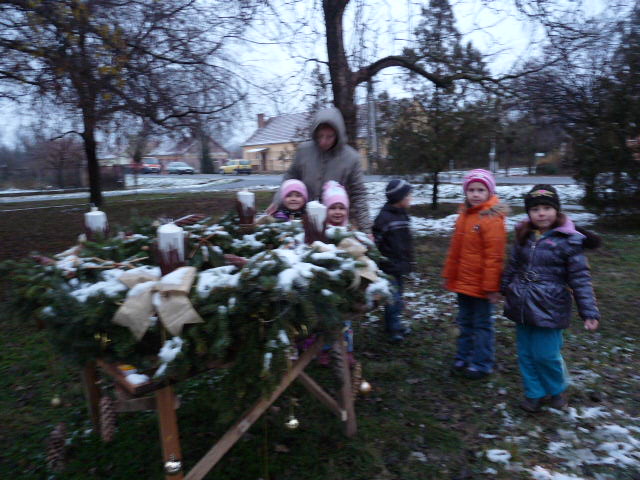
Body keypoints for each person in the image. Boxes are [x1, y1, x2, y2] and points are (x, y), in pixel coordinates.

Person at [501, 185, 600, 413]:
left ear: (556, 210)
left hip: (551, 307)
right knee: (526, 354)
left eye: (547, 208)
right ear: (529, 212)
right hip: (522, 303)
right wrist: (503, 288)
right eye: (535, 209)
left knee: (545, 354)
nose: (541, 213)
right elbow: (513, 265)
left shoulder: (568, 241)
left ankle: (556, 389)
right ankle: (534, 392)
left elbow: (580, 278)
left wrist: (589, 311)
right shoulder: (524, 236)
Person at [442, 169, 507, 379]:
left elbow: (494, 257)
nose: (476, 194)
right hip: (463, 282)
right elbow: (455, 250)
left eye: (481, 190)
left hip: (481, 286)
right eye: (471, 190)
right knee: (465, 322)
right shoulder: (465, 215)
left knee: (482, 325)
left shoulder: (491, 218)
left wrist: (491, 288)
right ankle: (464, 356)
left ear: (489, 192)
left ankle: (482, 362)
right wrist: (449, 275)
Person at [267, 107, 371, 232]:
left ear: (338, 134)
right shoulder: (304, 151)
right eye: (320, 136)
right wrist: (277, 201)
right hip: (304, 219)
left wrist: (366, 229)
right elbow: (290, 178)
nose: (323, 141)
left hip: (335, 224)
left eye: (329, 136)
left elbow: (359, 194)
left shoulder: (351, 158)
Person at [317, 181, 355, 365]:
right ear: (325, 210)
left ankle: (347, 350)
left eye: (341, 208)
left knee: (345, 320)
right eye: (333, 208)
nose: (338, 212)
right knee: (325, 319)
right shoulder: (321, 233)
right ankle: (324, 349)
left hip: (345, 285)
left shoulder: (350, 231)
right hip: (325, 283)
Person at [373, 179, 414, 343]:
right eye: (408, 195)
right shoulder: (384, 218)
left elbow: (406, 241)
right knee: (393, 297)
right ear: (399, 198)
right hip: (389, 266)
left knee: (398, 296)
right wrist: (379, 261)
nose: (411, 198)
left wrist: (408, 260)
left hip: (399, 264)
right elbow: (376, 242)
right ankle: (393, 328)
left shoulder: (402, 215)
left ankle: (394, 322)